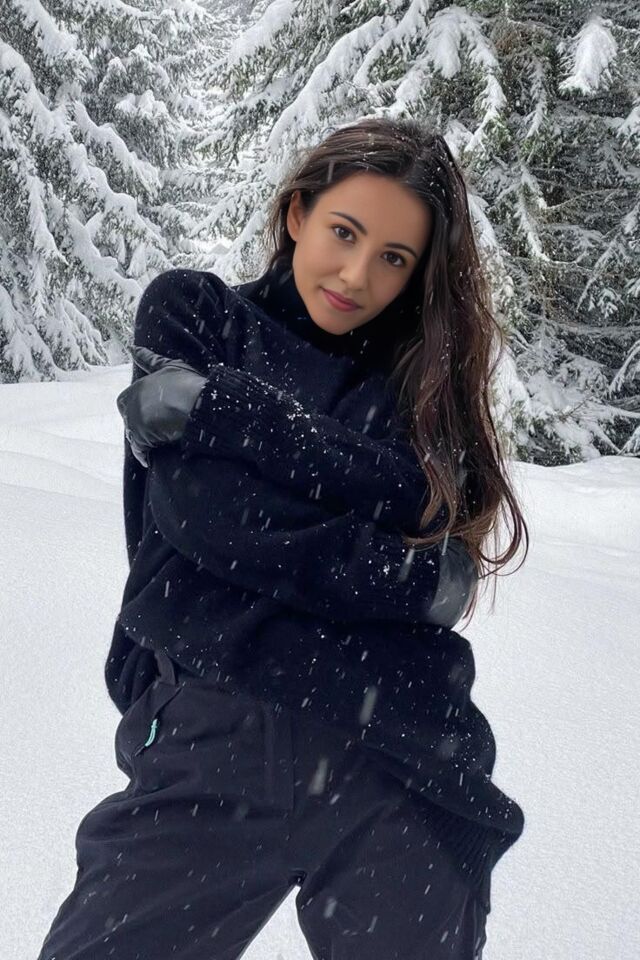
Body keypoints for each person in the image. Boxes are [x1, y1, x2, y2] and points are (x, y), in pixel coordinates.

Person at [36, 117, 527, 960]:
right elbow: (209, 518)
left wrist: (239, 416)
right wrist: (395, 550)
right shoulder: (196, 314)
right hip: (211, 736)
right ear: (298, 213)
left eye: (394, 258)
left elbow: (428, 529)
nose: (357, 275)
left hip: (399, 754)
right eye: (345, 232)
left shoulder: (417, 386)